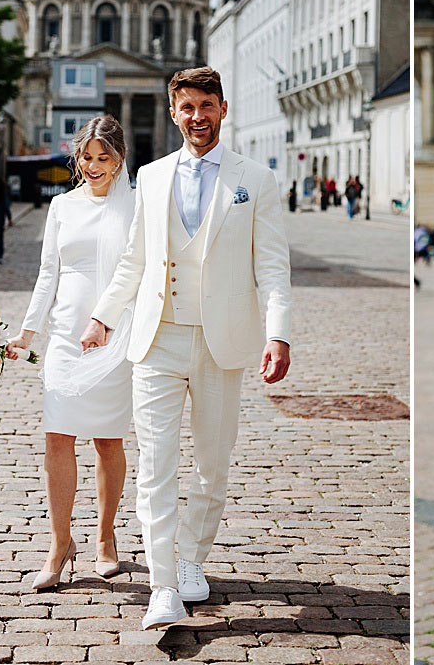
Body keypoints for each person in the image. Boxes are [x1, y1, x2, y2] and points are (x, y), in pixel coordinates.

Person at [80, 67, 293, 630]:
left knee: (212, 467)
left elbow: (272, 266)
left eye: (206, 105)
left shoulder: (257, 180)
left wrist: (279, 332)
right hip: (159, 338)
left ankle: (192, 559)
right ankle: (163, 584)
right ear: (173, 113)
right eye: (186, 108)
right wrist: (103, 315)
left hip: (223, 342)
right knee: (155, 466)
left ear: (223, 109)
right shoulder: (151, 177)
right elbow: (136, 258)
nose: (196, 116)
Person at [5, 116, 135, 592]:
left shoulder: (137, 206)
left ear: (120, 158)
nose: (95, 166)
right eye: (87, 157)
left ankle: (105, 537)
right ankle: (60, 544)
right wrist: (27, 333)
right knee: (57, 437)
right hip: (64, 338)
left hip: (115, 337)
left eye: (104, 157)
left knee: (107, 440)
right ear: (76, 158)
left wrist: (113, 323)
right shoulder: (61, 206)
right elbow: (48, 274)